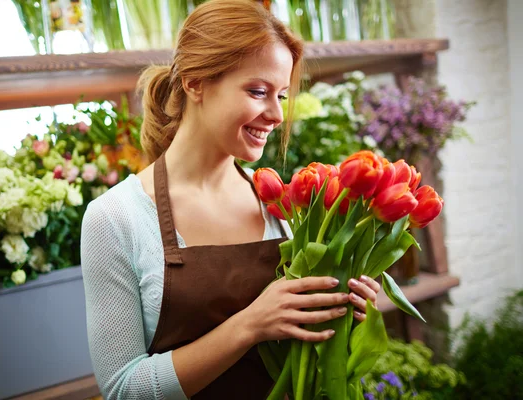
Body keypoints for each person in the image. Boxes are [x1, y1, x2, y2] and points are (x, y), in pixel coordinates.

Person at [80, 1, 380, 399]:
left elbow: (308, 356)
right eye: (258, 91)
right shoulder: (116, 218)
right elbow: (123, 389)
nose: (276, 114)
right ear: (195, 82)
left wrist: (344, 308)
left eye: (282, 95)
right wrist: (250, 325)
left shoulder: (284, 203)